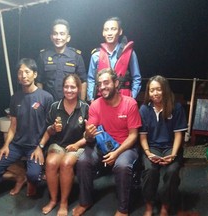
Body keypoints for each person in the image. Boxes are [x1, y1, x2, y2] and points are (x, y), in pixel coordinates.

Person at [73, 68, 142, 216]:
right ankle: (85, 201)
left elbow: (133, 136)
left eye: (106, 82)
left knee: (122, 165)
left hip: (125, 147)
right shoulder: (95, 105)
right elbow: (90, 136)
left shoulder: (130, 104)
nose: (102, 87)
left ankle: (123, 209)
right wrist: (88, 134)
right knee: (83, 161)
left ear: (116, 83)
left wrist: (116, 153)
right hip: (102, 145)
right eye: (99, 84)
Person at [0, 58, 53, 196]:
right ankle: (20, 176)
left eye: (27, 72)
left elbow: (50, 127)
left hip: (35, 146)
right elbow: (13, 126)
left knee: (34, 175)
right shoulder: (15, 98)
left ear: (35, 74)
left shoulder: (46, 97)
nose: (24, 75)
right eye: (20, 72)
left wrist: (40, 147)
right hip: (17, 145)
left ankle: (30, 177)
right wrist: (6, 145)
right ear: (17, 77)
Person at [139, 75, 187, 216]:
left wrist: (173, 154)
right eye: (152, 90)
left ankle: (165, 206)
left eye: (158, 89)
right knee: (150, 171)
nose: (155, 93)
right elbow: (143, 136)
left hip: (170, 147)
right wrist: (148, 153)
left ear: (164, 89)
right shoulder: (144, 109)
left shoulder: (176, 107)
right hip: (152, 147)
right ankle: (149, 206)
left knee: (172, 171)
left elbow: (179, 135)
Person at [41, 74, 89, 216]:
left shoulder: (85, 107)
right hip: (58, 144)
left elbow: (89, 135)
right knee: (50, 162)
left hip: (78, 145)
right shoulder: (55, 106)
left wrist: (77, 144)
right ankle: (53, 200)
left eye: (73, 87)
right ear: (62, 88)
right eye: (66, 87)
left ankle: (63, 202)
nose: (69, 90)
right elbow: (48, 130)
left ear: (78, 88)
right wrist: (53, 129)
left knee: (66, 163)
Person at [87, 16, 142, 102]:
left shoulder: (129, 53)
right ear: (103, 33)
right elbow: (91, 79)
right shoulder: (96, 55)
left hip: (124, 99)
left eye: (113, 29)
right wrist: (91, 98)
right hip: (103, 98)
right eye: (106, 29)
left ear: (120, 31)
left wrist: (132, 97)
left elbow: (137, 78)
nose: (109, 33)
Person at [37, 19, 87, 101]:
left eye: (62, 34)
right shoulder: (43, 56)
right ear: (51, 37)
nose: (58, 37)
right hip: (49, 104)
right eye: (55, 34)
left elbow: (83, 82)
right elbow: (39, 81)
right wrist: (41, 102)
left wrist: (82, 104)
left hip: (71, 104)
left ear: (68, 38)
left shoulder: (76, 56)